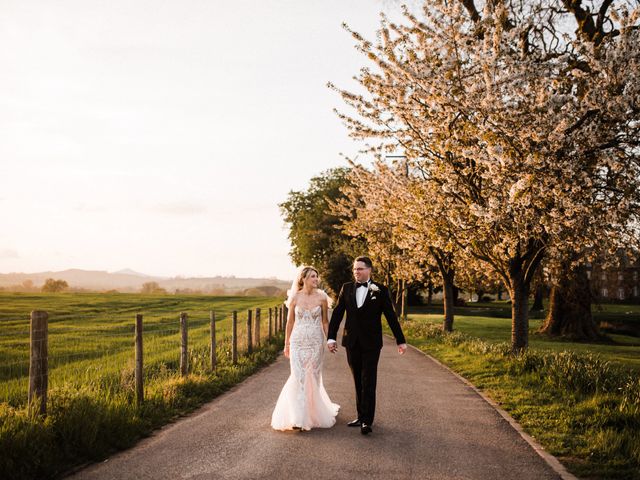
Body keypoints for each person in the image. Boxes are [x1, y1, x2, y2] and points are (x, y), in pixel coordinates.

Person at [327, 256, 407, 435]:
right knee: (357, 380)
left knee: (368, 380)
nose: (357, 272)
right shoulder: (346, 288)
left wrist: (400, 340)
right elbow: (338, 314)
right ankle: (360, 416)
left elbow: (390, 316)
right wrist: (331, 338)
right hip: (352, 342)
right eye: (355, 269)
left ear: (369, 270)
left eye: (360, 269)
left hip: (371, 343)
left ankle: (367, 421)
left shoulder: (380, 290)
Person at [271, 266, 340, 431]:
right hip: (297, 341)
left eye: (317, 277)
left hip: (316, 341)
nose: (316, 280)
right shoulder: (295, 297)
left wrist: (329, 339)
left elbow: (324, 321)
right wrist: (286, 343)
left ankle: (312, 413)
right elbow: (290, 322)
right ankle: (297, 418)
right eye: (313, 277)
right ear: (303, 279)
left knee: (313, 376)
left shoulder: (322, 297)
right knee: (298, 375)